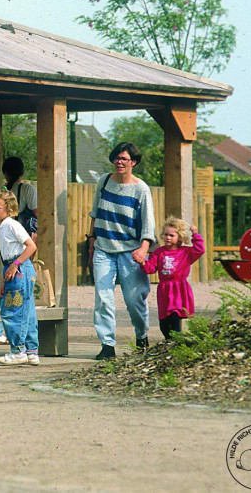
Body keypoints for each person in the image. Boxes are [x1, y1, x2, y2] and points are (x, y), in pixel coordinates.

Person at [88, 142, 156, 360]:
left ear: (133, 162)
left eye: (124, 159)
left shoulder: (141, 189)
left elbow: (148, 225)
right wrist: (91, 240)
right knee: (103, 297)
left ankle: (141, 336)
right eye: (116, 158)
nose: (119, 162)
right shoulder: (104, 181)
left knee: (135, 299)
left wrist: (144, 249)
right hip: (103, 248)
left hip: (130, 250)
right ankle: (107, 345)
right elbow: (95, 213)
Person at [0, 156, 38, 345]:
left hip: (18, 252)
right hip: (19, 250)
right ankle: (29, 349)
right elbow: (36, 214)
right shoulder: (25, 191)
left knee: (15, 306)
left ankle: (16, 346)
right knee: (23, 305)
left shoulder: (8, 222)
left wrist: (16, 263)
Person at [139, 217, 205, 340]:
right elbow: (151, 268)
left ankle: (177, 342)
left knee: (175, 317)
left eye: (172, 235)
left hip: (179, 289)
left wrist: (195, 234)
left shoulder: (185, 252)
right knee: (164, 324)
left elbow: (200, 249)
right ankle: (170, 341)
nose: (168, 237)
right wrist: (142, 263)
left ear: (179, 237)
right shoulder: (159, 252)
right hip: (164, 290)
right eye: (166, 234)